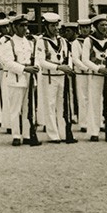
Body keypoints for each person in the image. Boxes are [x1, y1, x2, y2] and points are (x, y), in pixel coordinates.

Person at [0, 14, 43, 146]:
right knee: (15, 109)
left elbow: (37, 58)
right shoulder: (8, 43)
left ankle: (27, 134)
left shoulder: (30, 42)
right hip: (16, 79)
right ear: (14, 28)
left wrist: (36, 67)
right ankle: (16, 135)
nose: (24, 28)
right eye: (21, 26)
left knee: (29, 109)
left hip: (29, 79)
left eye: (26, 25)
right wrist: (25, 69)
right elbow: (8, 63)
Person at [79, 14, 107, 141]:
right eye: (101, 25)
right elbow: (85, 59)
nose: (104, 28)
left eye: (106, 25)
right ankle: (94, 132)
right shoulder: (89, 40)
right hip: (96, 75)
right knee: (94, 102)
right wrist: (98, 68)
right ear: (95, 26)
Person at [36, 12, 73, 143]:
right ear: (46, 26)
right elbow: (41, 61)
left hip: (62, 76)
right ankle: (53, 135)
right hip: (50, 76)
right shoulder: (41, 42)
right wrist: (58, 67)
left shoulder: (62, 41)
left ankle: (63, 133)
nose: (55, 28)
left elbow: (68, 57)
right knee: (50, 105)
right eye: (52, 26)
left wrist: (68, 67)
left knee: (62, 105)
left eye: (56, 25)